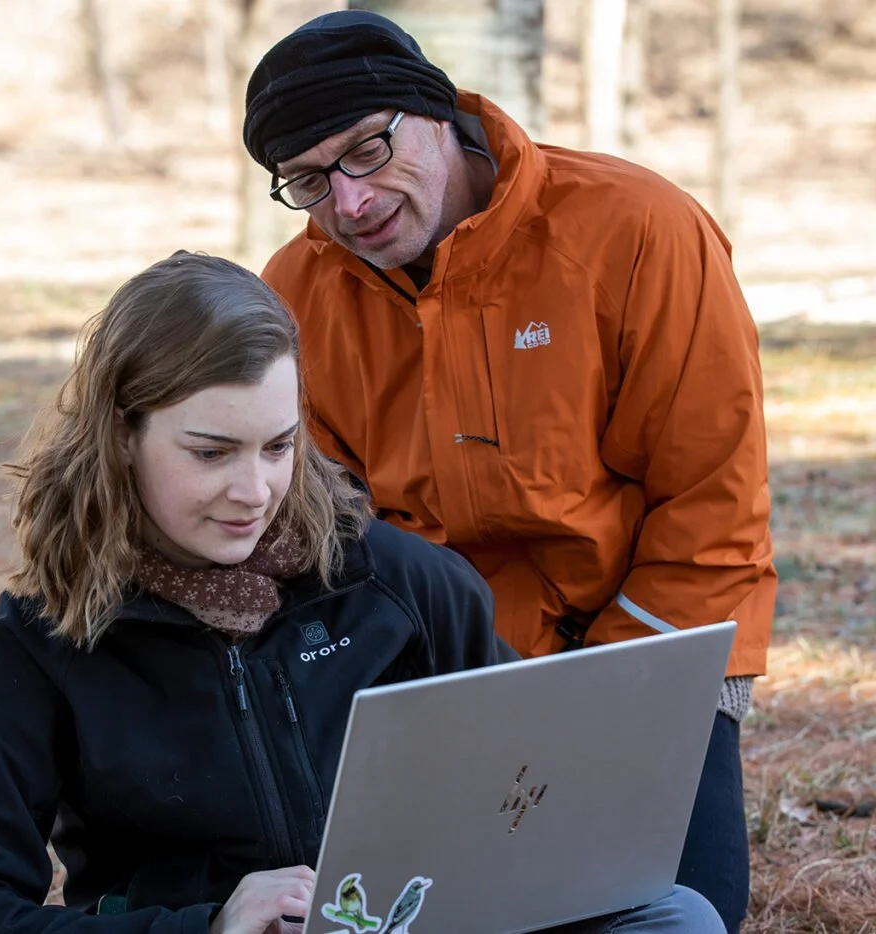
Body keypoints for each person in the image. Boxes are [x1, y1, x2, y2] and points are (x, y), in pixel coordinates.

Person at [0, 251, 723, 933]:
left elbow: (535, 785)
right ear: (121, 438)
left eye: (278, 446)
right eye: (212, 452)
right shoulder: (40, 641)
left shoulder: (395, 582)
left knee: (676, 917)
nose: (254, 491)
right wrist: (210, 925)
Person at [242, 11, 778, 932]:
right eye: (310, 181)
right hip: (438, 678)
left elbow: (711, 507)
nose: (351, 204)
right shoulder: (295, 295)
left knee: (682, 912)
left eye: (368, 150)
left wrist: (608, 701)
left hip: (648, 654)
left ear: (436, 111)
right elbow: (327, 540)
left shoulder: (638, 230)